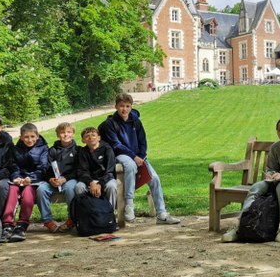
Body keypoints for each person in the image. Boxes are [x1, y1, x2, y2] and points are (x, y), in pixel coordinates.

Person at [222, 117, 280, 244]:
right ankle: (241, 225)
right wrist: (271, 175)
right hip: (276, 180)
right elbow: (271, 168)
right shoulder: (275, 147)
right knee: (256, 187)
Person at [98, 93, 180, 224]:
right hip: (120, 155)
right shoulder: (110, 124)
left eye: (127, 106)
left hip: (138, 156)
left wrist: (141, 156)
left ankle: (162, 214)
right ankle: (129, 206)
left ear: (131, 107)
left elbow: (143, 141)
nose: (124, 109)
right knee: (130, 165)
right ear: (116, 107)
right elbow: (116, 144)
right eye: (121, 106)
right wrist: (134, 156)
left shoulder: (136, 121)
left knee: (154, 179)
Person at [1, 123, 48, 242]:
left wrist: (31, 178)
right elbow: (13, 165)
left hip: (34, 180)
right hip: (18, 179)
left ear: (37, 136)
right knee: (12, 191)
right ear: (21, 137)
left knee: (28, 193)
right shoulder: (15, 149)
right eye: (26, 137)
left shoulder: (43, 148)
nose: (30, 139)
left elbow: (43, 167)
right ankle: (7, 225)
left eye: (32, 136)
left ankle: (22, 225)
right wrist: (16, 177)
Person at [36, 122, 79, 233]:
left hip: (69, 179)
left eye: (69, 132)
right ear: (58, 134)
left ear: (73, 134)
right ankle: (47, 220)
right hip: (53, 181)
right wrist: (50, 179)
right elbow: (46, 167)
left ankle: (71, 219)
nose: (66, 135)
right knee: (41, 189)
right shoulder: (52, 150)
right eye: (62, 132)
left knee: (70, 188)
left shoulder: (78, 150)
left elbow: (78, 170)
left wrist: (65, 179)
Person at [75, 127, 117, 208]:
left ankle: (109, 214)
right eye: (87, 136)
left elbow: (110, 171)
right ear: (83, 140)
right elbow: (82, 171)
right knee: (79, 187)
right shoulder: (83, 152)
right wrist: (91, 183)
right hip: (90, 180)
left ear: (99, 138)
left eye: (93, 135)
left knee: (112, 186)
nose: (90, 138)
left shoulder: (107, 148)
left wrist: (100, 184)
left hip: (106, 178)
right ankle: (85, 215)